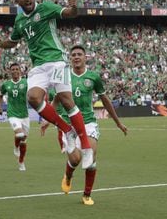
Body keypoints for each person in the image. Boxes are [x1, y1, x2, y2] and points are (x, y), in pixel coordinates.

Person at [0, 0, 93, 169]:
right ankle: (67, 130)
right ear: (17, 0)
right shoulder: (19, 21)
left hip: (57, 60)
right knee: (33, 98)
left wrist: (74, 6)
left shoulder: (46, 7)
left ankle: (86, 147)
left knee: (66, 100)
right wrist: (2, 44)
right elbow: (13, 42)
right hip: (38, 66)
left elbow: (70, 14)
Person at [42, 45, 128, 205]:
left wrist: (118, 123)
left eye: (79, 54)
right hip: (68, 125)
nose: (76, 57)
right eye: (73, 54)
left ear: (85, 57)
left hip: (88, 122)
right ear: (70, 58)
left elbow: (106, 100)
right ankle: (68, 175)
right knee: (75, 160)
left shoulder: (93, 77)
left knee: (91, 156)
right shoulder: (64, 77)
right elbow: (56, 100)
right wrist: (47, 120)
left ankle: (87, 195)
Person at [0, 63, 29, 171]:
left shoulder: (26, 82)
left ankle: (21, 161)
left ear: (20, 71)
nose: (15, 71)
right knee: (19, 134)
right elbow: (0, 96)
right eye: (13, 69)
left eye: (17, 69)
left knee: (24, 140)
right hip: (12, 113)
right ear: (10, 72)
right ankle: (15, 147)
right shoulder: (6, 84)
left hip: (24, 114)